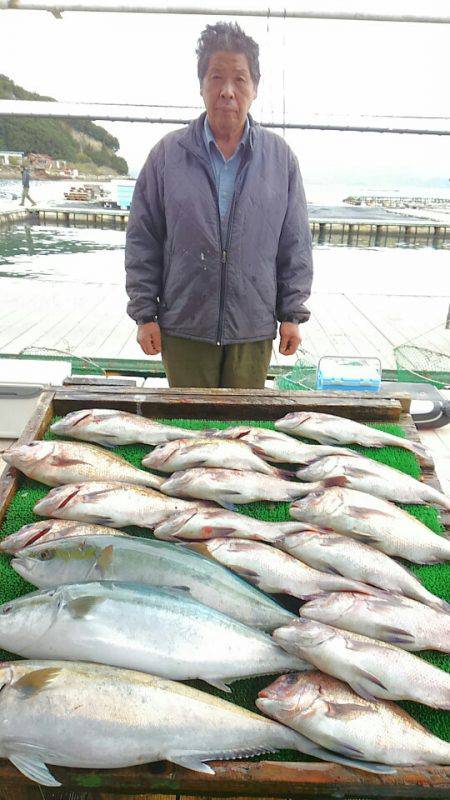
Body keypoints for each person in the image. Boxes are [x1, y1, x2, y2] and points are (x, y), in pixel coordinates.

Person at [125, 21, 313, 389]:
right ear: (201, 85)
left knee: (243, 434)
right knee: (189, 434)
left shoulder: (280, 159)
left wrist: (291, 314)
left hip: (252, 331)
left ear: (255, 88)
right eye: (216, 77)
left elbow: (295, 244)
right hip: (184, 329)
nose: (228, 91)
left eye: (240, 79)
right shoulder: (167, 155)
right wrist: (145, 314)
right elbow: (142, 239)